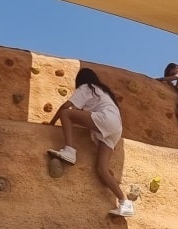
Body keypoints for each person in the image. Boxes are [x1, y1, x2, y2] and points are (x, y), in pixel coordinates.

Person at [46, 67, 133, 217]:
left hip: (106, 120)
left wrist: (52, 123)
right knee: (101, 169)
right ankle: (125, 203)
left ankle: (69, 150)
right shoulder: (103, 92)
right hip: (116, 129)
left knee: (66, 113)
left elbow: (65, 108)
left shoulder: (87, 87)